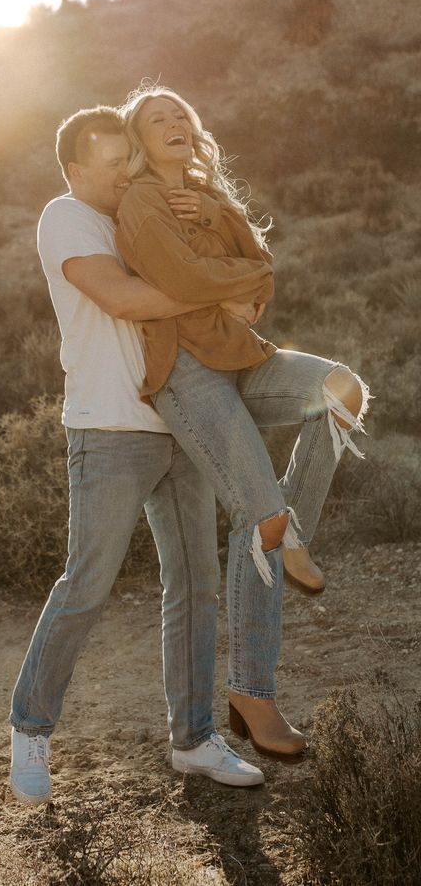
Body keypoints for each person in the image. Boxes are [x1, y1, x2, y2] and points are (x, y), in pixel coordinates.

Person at [8, 105, 267, 806]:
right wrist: (212, 292)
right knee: (87, 585)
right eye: (113, 164)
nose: (128, 172)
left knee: (196, 585)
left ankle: (193, 740)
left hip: (177, 418)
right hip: (109, 428)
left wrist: (202, 219)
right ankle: (30, 730)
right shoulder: (65, 217)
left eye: (131, 159)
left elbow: (225, 258)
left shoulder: (143, 210)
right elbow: (121, 298)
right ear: (75, 170)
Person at [116, 82, 371, 758]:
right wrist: (232, 281)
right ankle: (253, 696)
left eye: (180, 115)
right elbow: (187, 283)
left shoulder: (211, 197)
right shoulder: (140, 201)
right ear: (137, 141)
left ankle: (296, 534)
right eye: (155, 119)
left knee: (342, 390)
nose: (172, 123)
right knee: (259, 520)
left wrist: (225, 254)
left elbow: (263, 267)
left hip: (243, 356)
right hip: (189, 373)